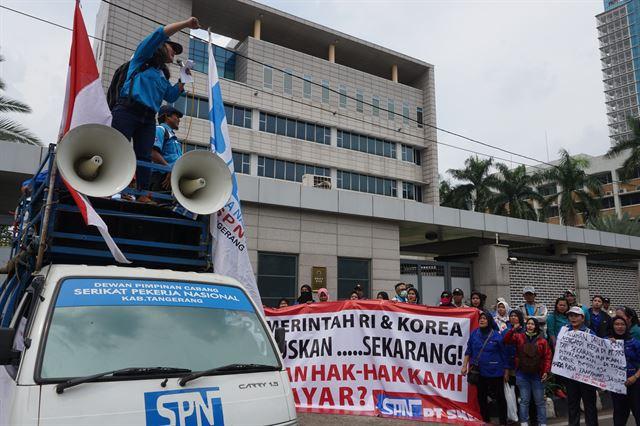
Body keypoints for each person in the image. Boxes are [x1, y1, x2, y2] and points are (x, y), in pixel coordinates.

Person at [110, 18, 199, 203]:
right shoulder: (143, 57)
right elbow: (160, 33)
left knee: (144, 155)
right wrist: (186, 24)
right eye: (172, 47)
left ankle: (142, 194)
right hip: (128, 109)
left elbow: (172, 95)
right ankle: (110, 186)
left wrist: (182, 80)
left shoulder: (161, 74)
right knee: (118, 148)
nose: (174, 52)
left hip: (148, 117)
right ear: (160, 46)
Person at [461, 311, 508, 425]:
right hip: (479, 371)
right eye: (480, 318)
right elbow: (469, 351)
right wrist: (464, 366)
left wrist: (506, 371)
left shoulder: (497, 335)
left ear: (490, 321)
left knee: (500, 397)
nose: (481, 320)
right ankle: (486, 420)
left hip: (495, 372)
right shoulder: (474, 333)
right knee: (481, 397)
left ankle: (503, 421)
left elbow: (504, 354)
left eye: (484, 319)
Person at [504, 317, 552, 426]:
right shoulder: (519, 337)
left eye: (532, 324)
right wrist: (513, 329)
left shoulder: (542, 341)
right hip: (522, 374)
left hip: (538, 375)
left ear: (536, 327)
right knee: (524, 401)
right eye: (528, 324)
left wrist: (545, 371)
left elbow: (547, 357)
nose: (530, 325)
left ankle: (542, 423)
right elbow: (506, 340)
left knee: (539, 402)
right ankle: (524, 422)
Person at [562, 306, 598, 426]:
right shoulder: (564, 331)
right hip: (571, 376)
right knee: (572, 405)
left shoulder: (590, 333)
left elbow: (597, 352)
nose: (573, 318)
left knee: (590, 406)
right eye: (571, 315)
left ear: (582, 318)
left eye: (576, 315)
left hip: (587, 377)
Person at [609, 316, 640, 426]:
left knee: (638, 412)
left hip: (635, 383)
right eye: (616, 324)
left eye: (622, 324)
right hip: (617, 385)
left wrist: (635, 377)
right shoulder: (607, 342)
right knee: (619, 415)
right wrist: (607, 344)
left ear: (626, 326)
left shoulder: (635, 342)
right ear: (612, 326)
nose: (619, 327)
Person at [150, 105, 183, 191]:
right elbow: (153, 153)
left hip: (171, 176)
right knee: (157, 203)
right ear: (166, 116)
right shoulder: (160, 129)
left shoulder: (173, 137)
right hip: (160, 177)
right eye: (177, 116)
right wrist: (169, 169)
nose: (179, 120)